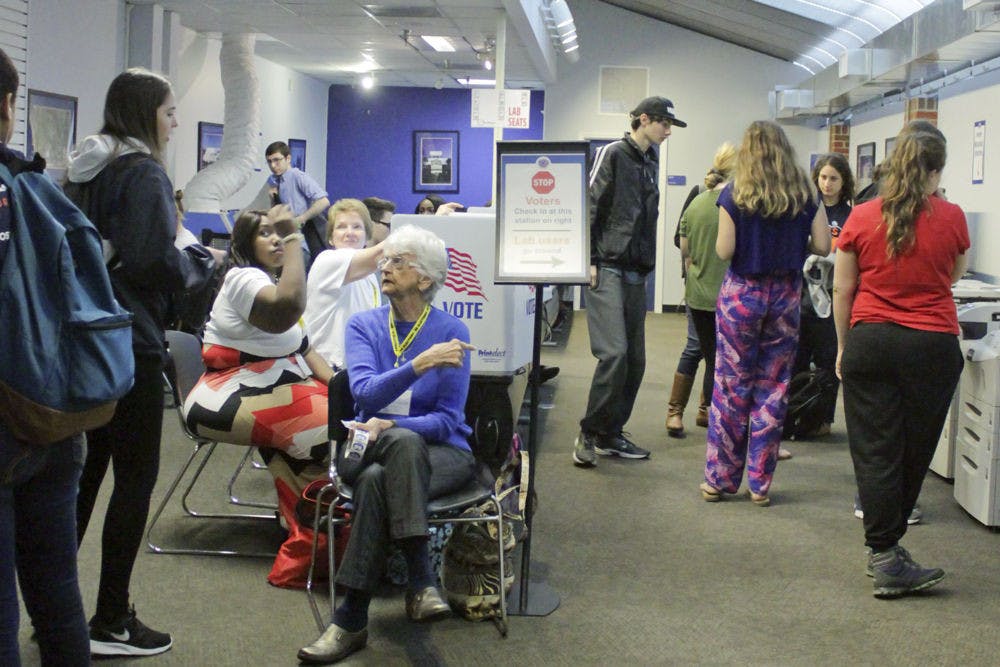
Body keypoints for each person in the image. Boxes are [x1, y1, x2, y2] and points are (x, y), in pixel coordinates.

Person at [70, 68, 216, 657]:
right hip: (130, 344)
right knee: (134, 481)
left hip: (84, 345)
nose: (175, 122)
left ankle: (52, 606)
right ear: (144, 114)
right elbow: (157, 264)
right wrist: (199, 265)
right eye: (168, 111)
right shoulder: (144, 174)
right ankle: (110, 619)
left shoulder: (83, 172)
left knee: (81, 479)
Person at [297, 225, 477, 665]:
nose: (386, 267)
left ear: (426, 279)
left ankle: (349, 621)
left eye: (400, 261)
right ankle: (421, 577)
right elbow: (364, 394)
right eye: (386, 260)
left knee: (387, 469)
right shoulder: (364, 326)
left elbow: (448, 420)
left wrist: (393, 427)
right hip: (362, 447)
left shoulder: (451, 330)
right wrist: (418, 365)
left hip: (440, 451)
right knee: (392, 453)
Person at [834, 129, 967, 598]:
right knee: (913, 450)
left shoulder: (863, 215)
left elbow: (843, 289)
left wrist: (843, 347)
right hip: (931, 347)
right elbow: (951, 275)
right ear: (934, 171)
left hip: (871, 341)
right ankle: (887, 552)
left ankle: (885, 550)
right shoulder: (951, 217)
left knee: (874, 450)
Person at [0, 46, 90, 667]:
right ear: (8, 108)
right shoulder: (30, 184)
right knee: (56, 593)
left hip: (5, 426)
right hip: (58, 411)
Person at [700, 120, 830, 506]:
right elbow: (822, 244)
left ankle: (719, 481)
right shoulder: (806, 193)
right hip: (786, 295)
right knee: (773, 388)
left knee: (730, 385)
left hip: (743, 295)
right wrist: (790, 242)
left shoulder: (734, 192)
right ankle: (759, 484)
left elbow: (725, 251)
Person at [573, 96, 686, 467]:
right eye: (664, 124)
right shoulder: (613, 154)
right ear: (643, 120)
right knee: (615, 353)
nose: (668, 131)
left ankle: (610, 432)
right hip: (606, 267)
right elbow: (589, 206)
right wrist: (587, 260)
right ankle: (588, 432)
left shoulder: (650, 161)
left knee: (635, 361)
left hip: (637, 271)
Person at [182, 205, 333, 459]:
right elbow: (285, 310)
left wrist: (344, 387)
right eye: (265, 233)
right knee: (335, 429)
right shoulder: (242, 278)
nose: (276, 239)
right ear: (246, 244)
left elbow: (306, 349)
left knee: (349, 412)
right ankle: (316, 496)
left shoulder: (273, 283)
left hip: (272, 385)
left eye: (278, 233)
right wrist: (292, 236)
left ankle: (306, 496)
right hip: (227, 394)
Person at [790, 153, 855, 440]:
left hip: (832, 301)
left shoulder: (850, 215)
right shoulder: (804, 209)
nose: (827, 184)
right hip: (801, 297)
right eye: (823, 177)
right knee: (796, 360)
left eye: (834, 179)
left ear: (844, 183)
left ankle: (822, 419)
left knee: (829, 363)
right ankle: (793, 414)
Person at [676, 143, 736, 440]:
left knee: (696, 350)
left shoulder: (697, 203)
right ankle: (711, 414)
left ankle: (676, 413)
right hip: (727, 295)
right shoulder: (734, 205)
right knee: (719, 359)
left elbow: (685, 249)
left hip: (696, 293)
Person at [304, 198, 385, 371]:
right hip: (324, 368)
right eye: (341, 227)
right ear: (331, 238)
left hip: (357, 369)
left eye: (357, 227)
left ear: (366, 236)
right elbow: (385, 251)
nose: (349, 233)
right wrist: (428, 224)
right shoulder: (327, 260)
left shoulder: (369, 274)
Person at [665, 182, 707, 438]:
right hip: (699, 282)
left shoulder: (742, 196)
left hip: (729, 285)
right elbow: (677, 237)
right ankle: (675, 411)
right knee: (695, 346)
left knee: (721, 351)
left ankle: (705, 409)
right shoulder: (700, 193)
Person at [265, 140, 331, 268]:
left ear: (288, 158)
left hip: (303, 243)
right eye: (269, 161)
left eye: (277, 160)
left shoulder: (298, 176)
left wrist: (302, 218)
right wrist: (272, 198)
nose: (273, 165)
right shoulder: (274, 181)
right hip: (286, 240)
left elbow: (324, 201)